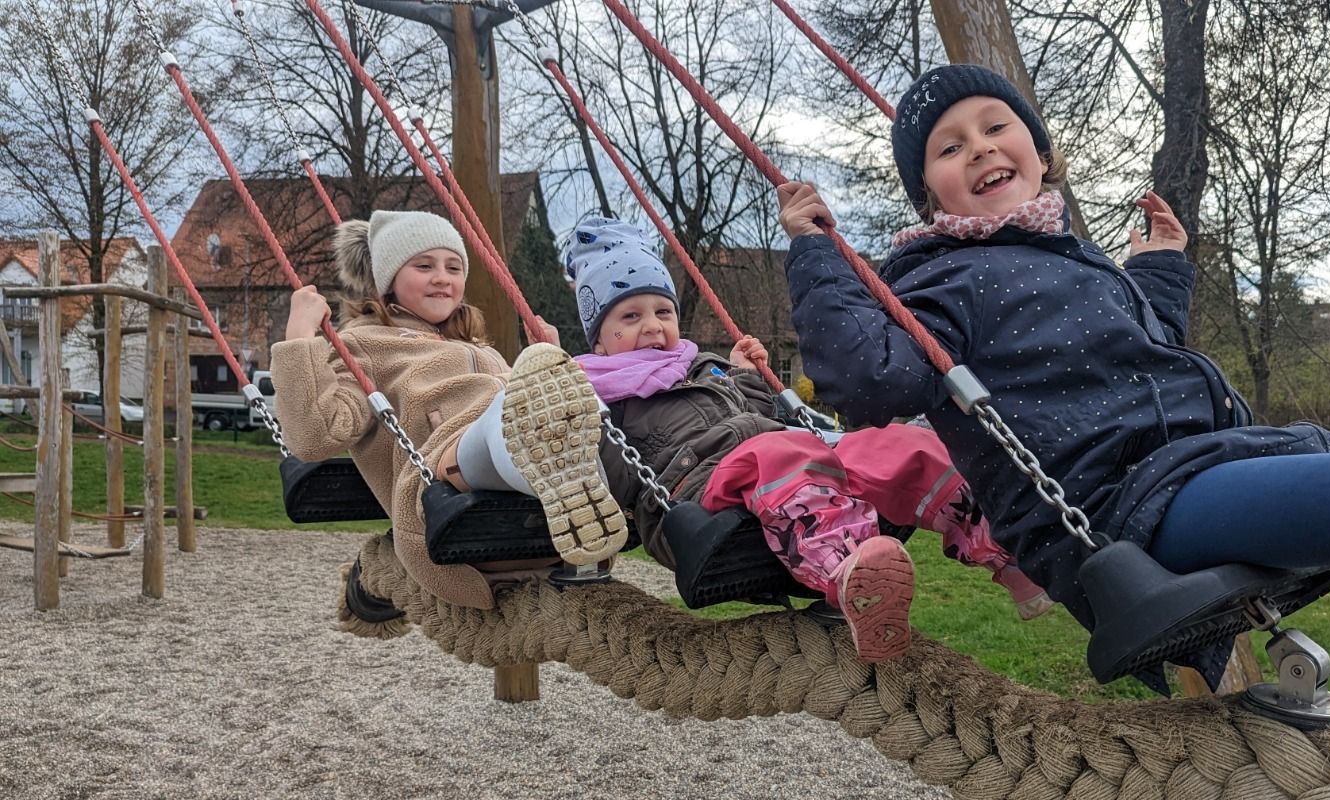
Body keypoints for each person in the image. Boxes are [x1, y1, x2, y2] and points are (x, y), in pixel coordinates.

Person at [778, 63, 1330, 758]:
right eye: (949, 148)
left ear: (1039, 149)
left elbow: (1147, 358)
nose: (982, 148)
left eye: (998, 126)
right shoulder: (931, 283)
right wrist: (819, 256)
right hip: (1119, 508)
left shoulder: (1075, 258)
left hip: (1208, 465)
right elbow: (870, 382)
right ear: (929, 192)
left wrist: (1161, 270)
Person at [563, 217, 1050, 662]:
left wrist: (742, 375)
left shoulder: (699, 368)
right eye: (630, 317)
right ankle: (850, 575)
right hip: (697, 497)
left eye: (662, 311)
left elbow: (749, 415)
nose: (653, 325)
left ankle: (1002, 549)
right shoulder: (601, 398)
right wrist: (564, 405)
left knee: (891, 442)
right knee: (779, 451)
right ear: (599, 340)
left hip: (778, 460)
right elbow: (614, 482)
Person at [272, 210, 628, 610]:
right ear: (388, 279)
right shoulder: (362, 346)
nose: (442, 277)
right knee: (508, 420)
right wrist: (300, 338)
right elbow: (315, 436)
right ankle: (546, 462)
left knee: (568, 407)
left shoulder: (482, 350)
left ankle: (581, 484)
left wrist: (551, 355)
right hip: (450, 496)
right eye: (424, 266)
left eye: (453, 266)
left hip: (535, 536)